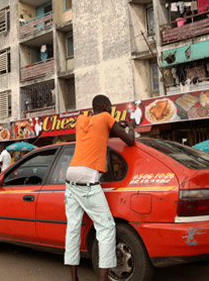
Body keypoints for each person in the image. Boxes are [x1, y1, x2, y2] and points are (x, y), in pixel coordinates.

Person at [64, 95, 135, 281]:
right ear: (104, 106)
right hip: (87, 178)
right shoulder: (105, 117)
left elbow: (98, 132)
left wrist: (114, 124)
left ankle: (74, 278)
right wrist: (131, 126)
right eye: (110, 108)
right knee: (106, 227)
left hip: (70, 176)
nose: (111, 111)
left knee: (72, 227)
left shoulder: (81, 120)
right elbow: (129, 140)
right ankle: (103, 279)